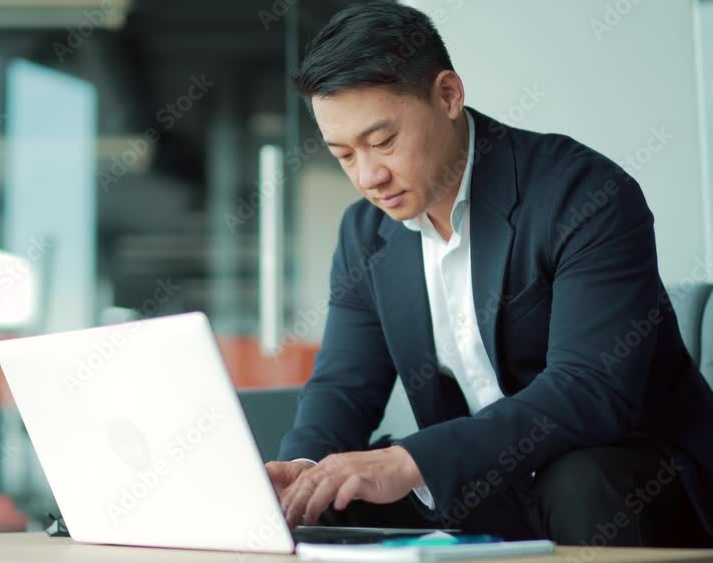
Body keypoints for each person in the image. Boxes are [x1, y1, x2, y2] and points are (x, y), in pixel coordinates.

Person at [265, 1, 713, 547]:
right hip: (480, 482)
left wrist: (410, 460)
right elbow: (344, 385)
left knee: (581, 482)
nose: (369, 176)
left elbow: (591, 390)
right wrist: (302, 470)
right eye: (343, 155)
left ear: (448, 95)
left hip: (622, 473)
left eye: (382, 142)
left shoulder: (583, 194)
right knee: (324, 504)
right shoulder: (365, 233)